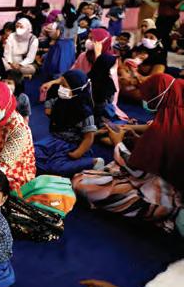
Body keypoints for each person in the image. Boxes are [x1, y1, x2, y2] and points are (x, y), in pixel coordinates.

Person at [73, 74, 184, 234]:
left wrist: (117, 142)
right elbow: (163, 153)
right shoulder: (175, 117)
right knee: (107, 171)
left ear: (159, 97)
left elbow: (137, 171)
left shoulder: (163, 129)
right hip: (168, 181)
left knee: (81, 182)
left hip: (167, 194)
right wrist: (139, 139)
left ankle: (161, 211)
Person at [35, 70, 105, 177]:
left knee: (56, 167)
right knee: (31, 153)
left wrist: (78, 153)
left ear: (76, 88)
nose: (61, 88)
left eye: (64, 86)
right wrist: (52, 85)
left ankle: (93, 162)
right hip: (54, 140)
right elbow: (48, 111)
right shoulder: (61, 100)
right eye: (61, 85)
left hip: (70, 145)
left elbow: (89, 138)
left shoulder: (84, 112)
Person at [119, 29, 167, 101]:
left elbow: (154, 77)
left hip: (144, 84)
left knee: (139, 94)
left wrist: (134, 79)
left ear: (158, 41)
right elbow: (121, 62)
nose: (147, 39)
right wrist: (123, 72)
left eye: (151, 38)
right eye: (146, 37)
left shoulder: (159, 56)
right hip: (129, 80)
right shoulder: (136, 50)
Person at [41, 3, 79, 79]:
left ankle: (55, 77)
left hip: (60, 44)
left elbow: (57, 35)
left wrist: (52, 37)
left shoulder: (62, 22)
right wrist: (75, 45)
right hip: (70, 44)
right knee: (67, 62)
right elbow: (75, 35)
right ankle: (65, 77)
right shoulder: (75, 22)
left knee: (57, 62)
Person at [87, 54, 119, 128]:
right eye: (113, 66)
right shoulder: (107, 82)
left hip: (85, 114)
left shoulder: (88, 76)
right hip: (98, 116)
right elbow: (110, 101)